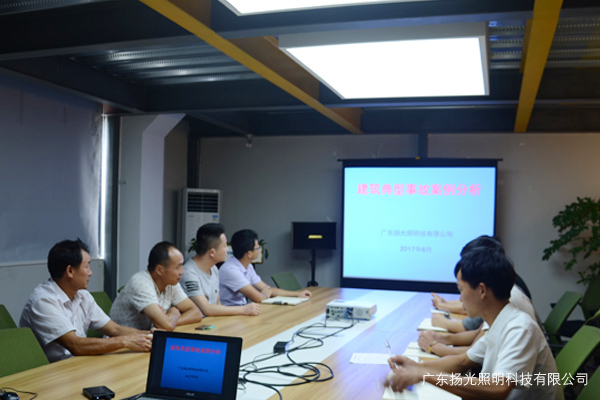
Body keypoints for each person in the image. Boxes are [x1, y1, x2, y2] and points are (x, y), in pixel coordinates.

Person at [386, 247, 563, 400]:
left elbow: (498, 389)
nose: (460, 298)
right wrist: (415, 367)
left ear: (482, 290)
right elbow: (462, 361)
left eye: (461, 289)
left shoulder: (519, 328)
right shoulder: (500, 323)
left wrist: (425, 374)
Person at [19, 239, 152, 363]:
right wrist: (125, 342)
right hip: (53, 372)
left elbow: (115, 329)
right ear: (70, 271)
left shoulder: (83, 296)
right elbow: (75, 345)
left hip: (80, 363)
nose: (90, 273)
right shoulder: (43, 301)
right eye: (87, 266)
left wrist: (151, 336)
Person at [110, 241, 203, 331]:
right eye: (178, 267)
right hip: (123, 339)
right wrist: (174, 310)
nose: (182, 272)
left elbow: (196, 313)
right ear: (160, 270)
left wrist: (170, 320)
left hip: (147, 336)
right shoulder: (140, 282)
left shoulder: (171, 283)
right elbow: (166, 325)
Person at [180, 223, 261, 316]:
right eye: (224, 246)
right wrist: (244, 309)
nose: (227, 249)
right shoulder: (189, 273)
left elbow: (217, 303)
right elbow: (206, 309)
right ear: (212, 252)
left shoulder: (213, 269)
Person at [219, 229, 312, 306]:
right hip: (228, 315)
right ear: (249, 253)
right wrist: (264, 295)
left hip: (241, 311)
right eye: (257, 248)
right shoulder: (230, 270)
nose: (259, 249)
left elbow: (267, 289)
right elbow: (258, 298)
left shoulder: (248, 266)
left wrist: (297, 294)